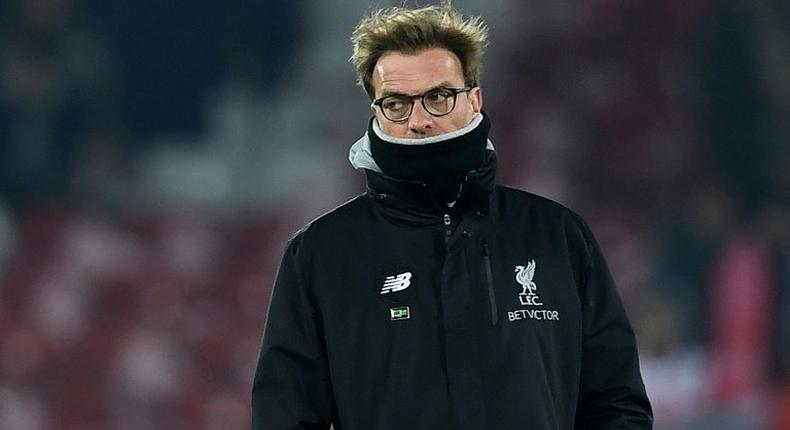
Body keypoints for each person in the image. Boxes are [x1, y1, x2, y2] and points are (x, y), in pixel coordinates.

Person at [251, 3, 653, 429]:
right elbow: (286, 417)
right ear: (376, 113)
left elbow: (616, 404)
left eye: (438, 97)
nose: (419, 120)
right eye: (396, 104)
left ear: (474, 99)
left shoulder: (558, 236)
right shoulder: (320, 254)